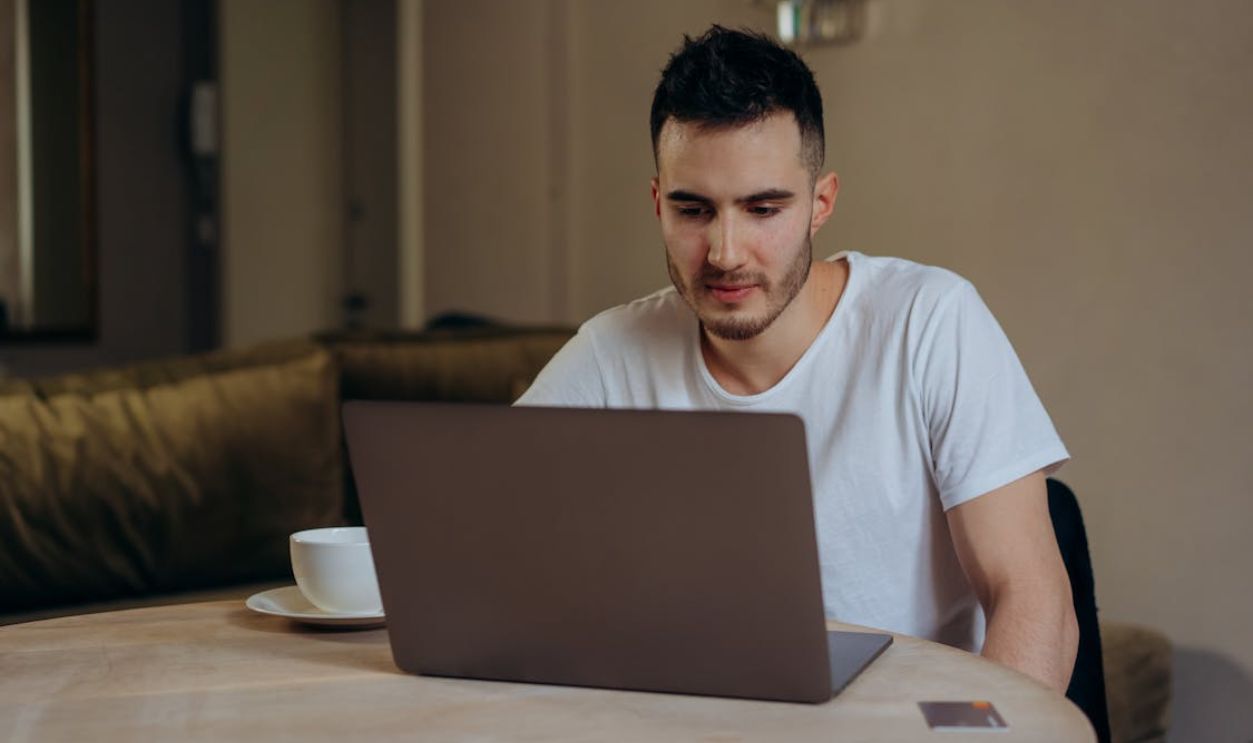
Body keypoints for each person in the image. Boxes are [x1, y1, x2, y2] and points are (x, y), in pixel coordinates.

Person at [516, 25, 1078, 692]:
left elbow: (1035, 601)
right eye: (692, 209)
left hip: (905, 728)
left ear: (820, 203)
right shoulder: (610, 354)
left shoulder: (929, 321)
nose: (724, 251)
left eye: (762, 208)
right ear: (656, 204)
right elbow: (479, 553)